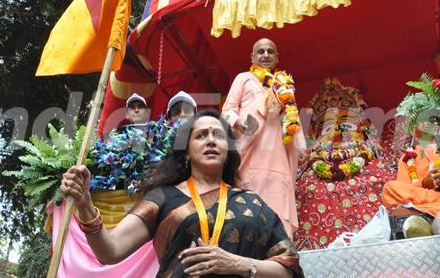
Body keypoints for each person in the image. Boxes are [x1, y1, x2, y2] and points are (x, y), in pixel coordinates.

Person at [61, 110, 303, 278]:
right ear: (186, 152)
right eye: (200, 135)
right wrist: (85, 205)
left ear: (228, 152)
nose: (210, 140)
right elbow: (110, 251)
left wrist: (237, 264)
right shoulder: (162, 197)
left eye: (218, 135)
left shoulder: (252, 203)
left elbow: (287, 267)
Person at [222, 38, 305, 237]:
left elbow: (293, 118)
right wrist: (237, 122)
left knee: (280, 205)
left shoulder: (284, 84)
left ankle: (280, 257)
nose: (265, 55)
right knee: (250, 205)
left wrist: (301, 146)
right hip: (250, 150)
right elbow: (228, 109)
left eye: (270, 51)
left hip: (279, 157)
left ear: (277, 58)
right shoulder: (244, 78)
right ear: (252, 56)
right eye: (260, 51)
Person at [381, 125, 440, 217]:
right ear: (413, 131)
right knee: (389, 188)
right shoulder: (407, 157)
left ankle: (419, 211)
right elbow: (406, 189)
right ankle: (439, 204)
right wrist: (425, 182)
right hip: (427, 196)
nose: (427, 122)